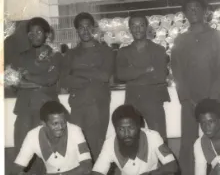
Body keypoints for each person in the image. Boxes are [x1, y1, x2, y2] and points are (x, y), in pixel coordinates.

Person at [171, 0, 220, 175]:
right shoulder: (180, 40)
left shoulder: (217, 37)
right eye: (189, 9)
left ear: (205, 11)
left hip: (212, 99)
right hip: (189, 102)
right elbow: (177, 71)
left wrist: (211, 100)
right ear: (185, 13)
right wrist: (187, 98)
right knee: (188, 143)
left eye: (197, 8)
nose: (193, 12)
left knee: (218, 139)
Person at [60, 12, 115, 160]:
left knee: (97, 145)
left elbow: (104, 76)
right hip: (78, 105)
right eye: (81, 28)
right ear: (77, 30)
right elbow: (64, 80)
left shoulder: (105, 51)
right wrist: (90, 74)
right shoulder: (71, 54)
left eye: (88, 27)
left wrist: (79, 72)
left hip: (98, 104)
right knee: (79, 145)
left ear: (94, 28)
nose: (85, 31)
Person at [11, 17, 62, 155]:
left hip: (46, 109)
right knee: (21, 149)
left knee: (45, 150)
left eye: (38, 32)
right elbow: (14, 83)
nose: (34, 36)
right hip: (24, 108)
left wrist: (27, 77)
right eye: (31, 33)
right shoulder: (21, 57)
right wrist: (39, 83)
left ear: (47, 34)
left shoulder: (55, 55)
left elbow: (50, 80)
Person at [116, 12, 170, 140]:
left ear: (146, 27)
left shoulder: (158, 50)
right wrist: (146, 69)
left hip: (154, 101)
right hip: (132, 101)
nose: (137, 29)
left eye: (141, 25)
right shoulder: (123, 52)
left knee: (158, 139)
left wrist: (133, 73)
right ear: (129, 29)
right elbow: (120, 75)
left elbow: (160, 76)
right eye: (134, 26)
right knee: (134, 139)